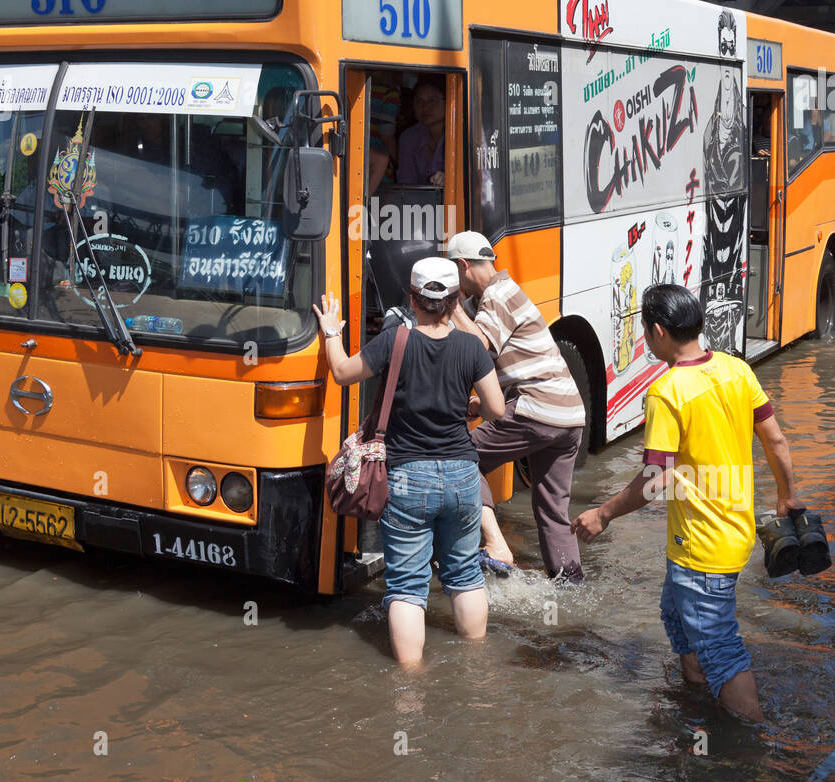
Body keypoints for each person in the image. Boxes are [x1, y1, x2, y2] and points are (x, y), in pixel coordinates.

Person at [572, 284, 799, 723]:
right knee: (677, 618)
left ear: (658, 331)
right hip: (731, 535)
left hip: (702, 549)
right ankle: (696, 709)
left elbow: (657, 479)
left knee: (722, 651)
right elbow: (775, 438)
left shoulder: (667, 391)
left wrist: (603, 514)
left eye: (644, 330)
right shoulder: (736, 369)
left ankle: (752, 745)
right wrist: (787, 495)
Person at [313, 257, 504, 667]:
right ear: (455, 301)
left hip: (405, 478)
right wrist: (466, 406)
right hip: (462, 476)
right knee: (465, 574)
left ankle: (410, 685)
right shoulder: (471, 347)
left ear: (412, 299)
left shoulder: (394, 340)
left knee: (406, 587)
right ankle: (476, 669)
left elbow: (344, 373)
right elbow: (497, 409)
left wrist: (331, 332)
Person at [446, 230, 587, 580]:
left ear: (464, 266)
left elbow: (480, 347)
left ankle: (496, 545)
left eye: (454, 274)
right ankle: (570, 587)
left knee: (461, 455)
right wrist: (478, 405)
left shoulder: (499, 294)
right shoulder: (489, 298)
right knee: (552, 510)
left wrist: (448, 305)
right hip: (569, 415)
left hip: (537, 409)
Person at [396, 78, 446, 186]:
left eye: (432, 100)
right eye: (419, 101)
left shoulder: (464, 134)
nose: (425, 107)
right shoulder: (409, 137)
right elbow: (406, 185)